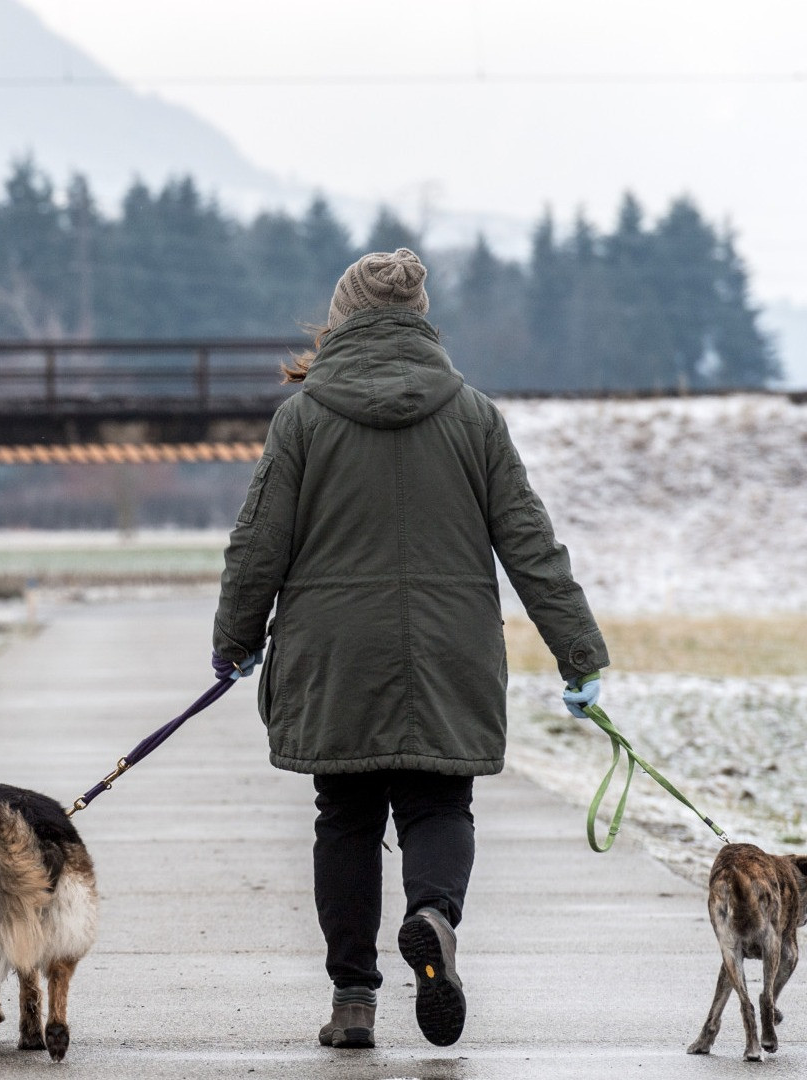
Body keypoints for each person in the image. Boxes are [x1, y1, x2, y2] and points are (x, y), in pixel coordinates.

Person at [210, 248, 606, 1050]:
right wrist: (579, 653)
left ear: (343, 317)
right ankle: (433, 917)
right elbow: (529, 541)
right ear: (421, 317)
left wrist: (236, 638)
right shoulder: (472, 415)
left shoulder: (303, 418)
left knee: (345, 818)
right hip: (447, 650)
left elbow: (258, 545)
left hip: (335, 657)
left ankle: (354, 999)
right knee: (438, 805)